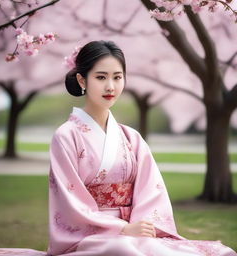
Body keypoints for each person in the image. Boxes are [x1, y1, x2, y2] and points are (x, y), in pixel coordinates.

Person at [46, 40, 237, 256]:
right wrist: (122, 228)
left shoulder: (131, 137)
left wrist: (139, 226)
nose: (111, 86)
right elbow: (70, 202)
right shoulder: (66, 136)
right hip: (89, 236)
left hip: (134, 229)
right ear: (82, 80)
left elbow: (151, 189)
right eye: (101, 77)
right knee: (124, 249)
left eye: (117, 77)